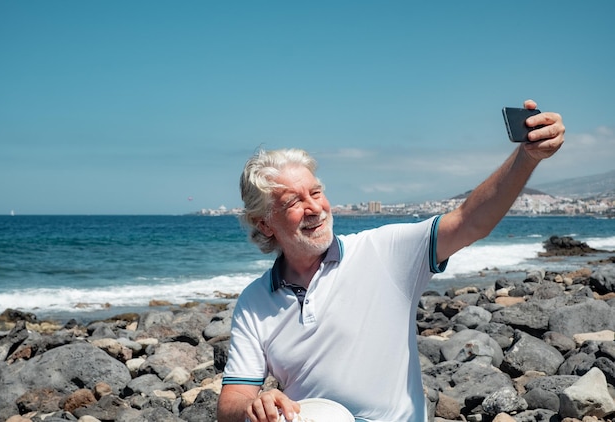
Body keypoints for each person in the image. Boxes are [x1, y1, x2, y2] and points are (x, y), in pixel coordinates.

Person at [217, 99, 565, 422]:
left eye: (317, 192)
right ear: (264, 223)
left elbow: (470, 221)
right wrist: (253, 406)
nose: (314, 208)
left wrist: (526, 158)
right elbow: (230, 403)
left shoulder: (384, 251)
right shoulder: (254, 301)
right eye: (294, 201)